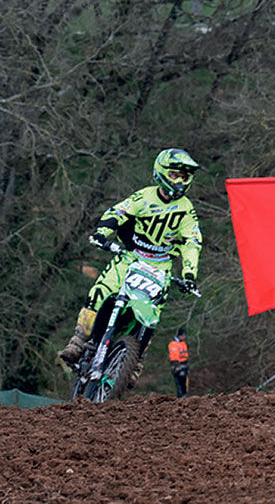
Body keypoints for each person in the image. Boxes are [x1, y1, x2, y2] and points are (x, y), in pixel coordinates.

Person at [59, 148, 203, 385]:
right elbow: (119, 211)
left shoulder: (187, 210)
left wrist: (189, 274)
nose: (180, 180)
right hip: (129, 257)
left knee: (151, 316)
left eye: (184, 176)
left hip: (161, 267)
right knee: (100, 291)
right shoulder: (144, 197)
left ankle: (135, 362)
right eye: (176, 175)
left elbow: (191, 243)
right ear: (163, 173)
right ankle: (78, 340)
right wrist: (102, 233)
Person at [169, 328, 191, 397]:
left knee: (184, 384)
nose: (184, 337)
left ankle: (184, 396)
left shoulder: (183, 343)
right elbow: (174, 357)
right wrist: (178, 367)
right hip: (177, 366)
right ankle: (181, 398)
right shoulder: (173, 344)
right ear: (180, 335)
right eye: (183, 335)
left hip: (184, 366)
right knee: (180, 385)